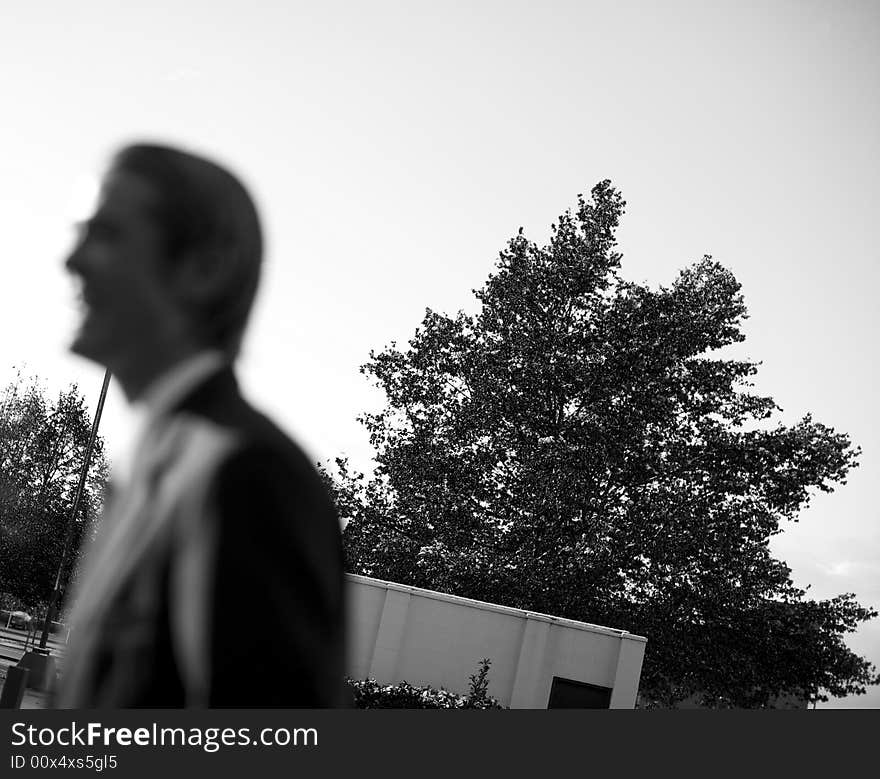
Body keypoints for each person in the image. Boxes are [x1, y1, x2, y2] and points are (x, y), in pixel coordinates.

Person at [56, 143, 346, 707]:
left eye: (107, 234)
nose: (72, 259)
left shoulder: (247, 476)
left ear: (204, 268)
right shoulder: (153, 466)